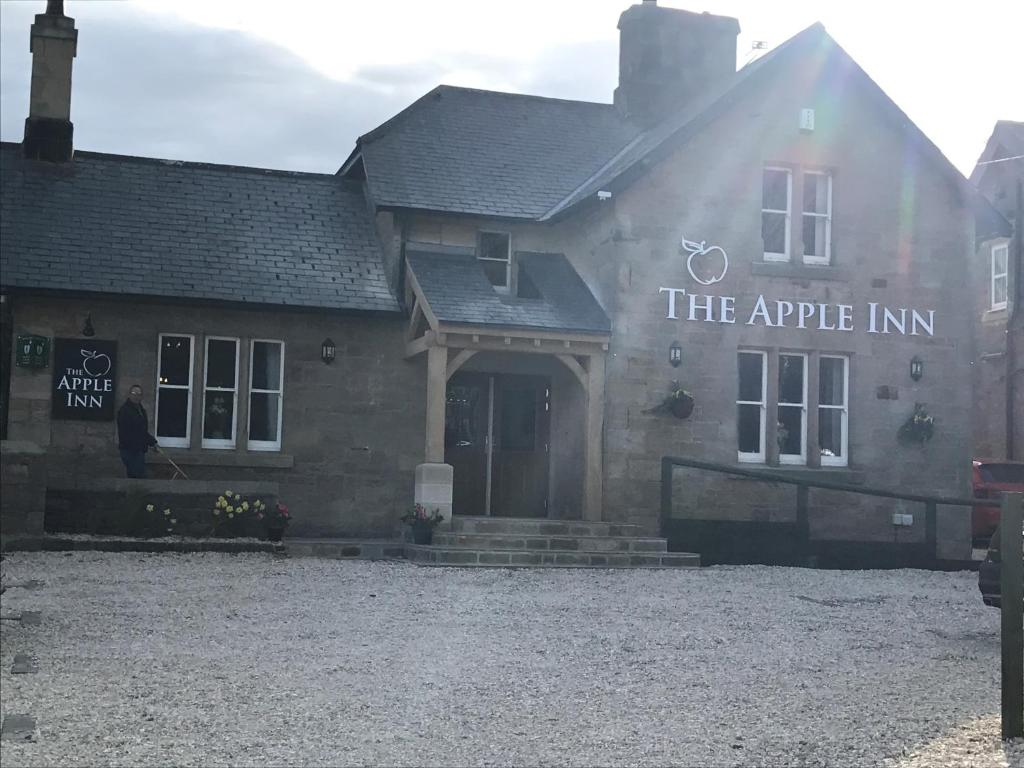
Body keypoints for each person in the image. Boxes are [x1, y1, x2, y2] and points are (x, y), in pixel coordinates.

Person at [117, 384, 159, 478]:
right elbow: (126, 433)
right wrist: (141, 444)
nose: (137, 396)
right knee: (136, 477)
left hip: (139, 451)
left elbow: (142, 431)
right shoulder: (124, 411)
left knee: (138, 477)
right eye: (134, 393)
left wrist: (152, 442)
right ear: (129, 395)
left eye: (139, 394)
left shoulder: (141, 410)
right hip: (129, 451)